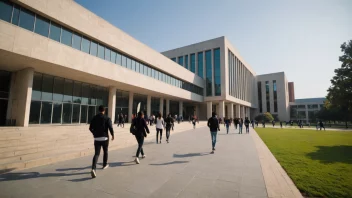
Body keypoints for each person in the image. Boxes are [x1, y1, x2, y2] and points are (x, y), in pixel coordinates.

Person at [89, 105, 114, 178]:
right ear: (104, 110)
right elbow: (110, 127)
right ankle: (105, 164)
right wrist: (113, 135)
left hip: (97, 138)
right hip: (105, 138)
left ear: (98, 110)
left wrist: (94, 133)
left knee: (96, 154)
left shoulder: (94, 117)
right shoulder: (107, 118)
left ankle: (93, 168)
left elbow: (90, 128)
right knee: (105, 151)